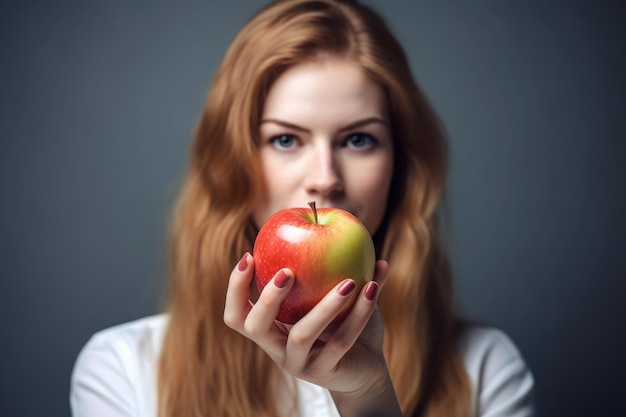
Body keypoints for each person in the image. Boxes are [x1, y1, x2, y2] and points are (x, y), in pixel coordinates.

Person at [70, 0, 535, 416]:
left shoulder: (483, 369)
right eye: (285, 139)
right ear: (232, 163)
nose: (325, 178)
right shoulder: (124, 370)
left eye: (358, 139)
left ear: (401, 164)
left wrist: (370, 396)